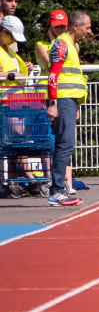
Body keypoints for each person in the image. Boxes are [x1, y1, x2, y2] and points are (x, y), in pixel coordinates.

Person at [45, 11, 91, 206]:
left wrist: (76, 103)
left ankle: (58, 189)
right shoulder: (62, 44)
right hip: (63, 99)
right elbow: (53, 75)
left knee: (66, 144)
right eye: (87, 27)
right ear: (76, 26)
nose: (89, 31)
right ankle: (56, 191)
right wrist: (53, 103)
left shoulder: (71, 45)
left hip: (69, 100)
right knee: (65, 144)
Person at [0, 16, 32, 198]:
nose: (13, 41)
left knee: (14, 144)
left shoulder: (8, 50)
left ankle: (14, 183)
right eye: (11, 36)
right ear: (3, 32)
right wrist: (12, 75)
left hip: (17, 102)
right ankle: (32, 179)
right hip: (6, 103)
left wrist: (25, 67)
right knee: (18, 141)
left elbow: (13, 70)